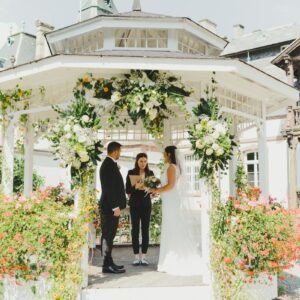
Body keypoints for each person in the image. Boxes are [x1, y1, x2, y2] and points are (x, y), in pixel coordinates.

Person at [150, 145, 202, 276]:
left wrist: (156, 190)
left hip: (171, 200)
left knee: (172, 227)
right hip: (169, 199)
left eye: (164, 154)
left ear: (168, 154)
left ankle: (171, 259)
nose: (163, 156)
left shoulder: (172, 167)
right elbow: (166, 185)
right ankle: (168, 257)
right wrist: (155, 185)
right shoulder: (171, 167)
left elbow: (171, 185)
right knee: (170, 226)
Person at [99, 141, 127, 274]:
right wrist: (115, 207)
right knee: (107, 235)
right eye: (119, 152)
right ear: (115, 151)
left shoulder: (110, 165)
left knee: (110, 235)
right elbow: (109, 188)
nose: (120, 154)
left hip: (111, 207)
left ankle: (110, 263)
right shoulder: (108, 165)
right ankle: (106, 265)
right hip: (110, 208)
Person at [126, 153, 154, 266]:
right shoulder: (131, 172)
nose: (143, 163)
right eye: (141, 161)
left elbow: (154, 189)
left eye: (145, 161)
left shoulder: (150, 173)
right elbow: (127, 189)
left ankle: (144, 257)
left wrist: (152, 190)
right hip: (135, 205)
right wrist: (135, 187)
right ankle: (136, 257)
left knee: (145, 230)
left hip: (146, 205)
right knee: (135, 230)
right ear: (137, 161)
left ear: (147, 162)